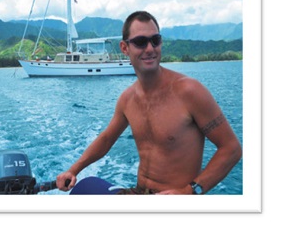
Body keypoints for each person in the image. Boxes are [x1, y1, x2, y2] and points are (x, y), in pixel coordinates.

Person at [56, 11, 242, 195]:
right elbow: (106, 139)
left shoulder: (189, 91)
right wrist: (74, 170)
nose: (150, 48)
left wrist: (190, 191)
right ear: (124, 47)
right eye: (140, 42)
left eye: (155, 40)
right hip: (139, 192)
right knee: (83, 191)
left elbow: (231, 148)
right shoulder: (127, 99)